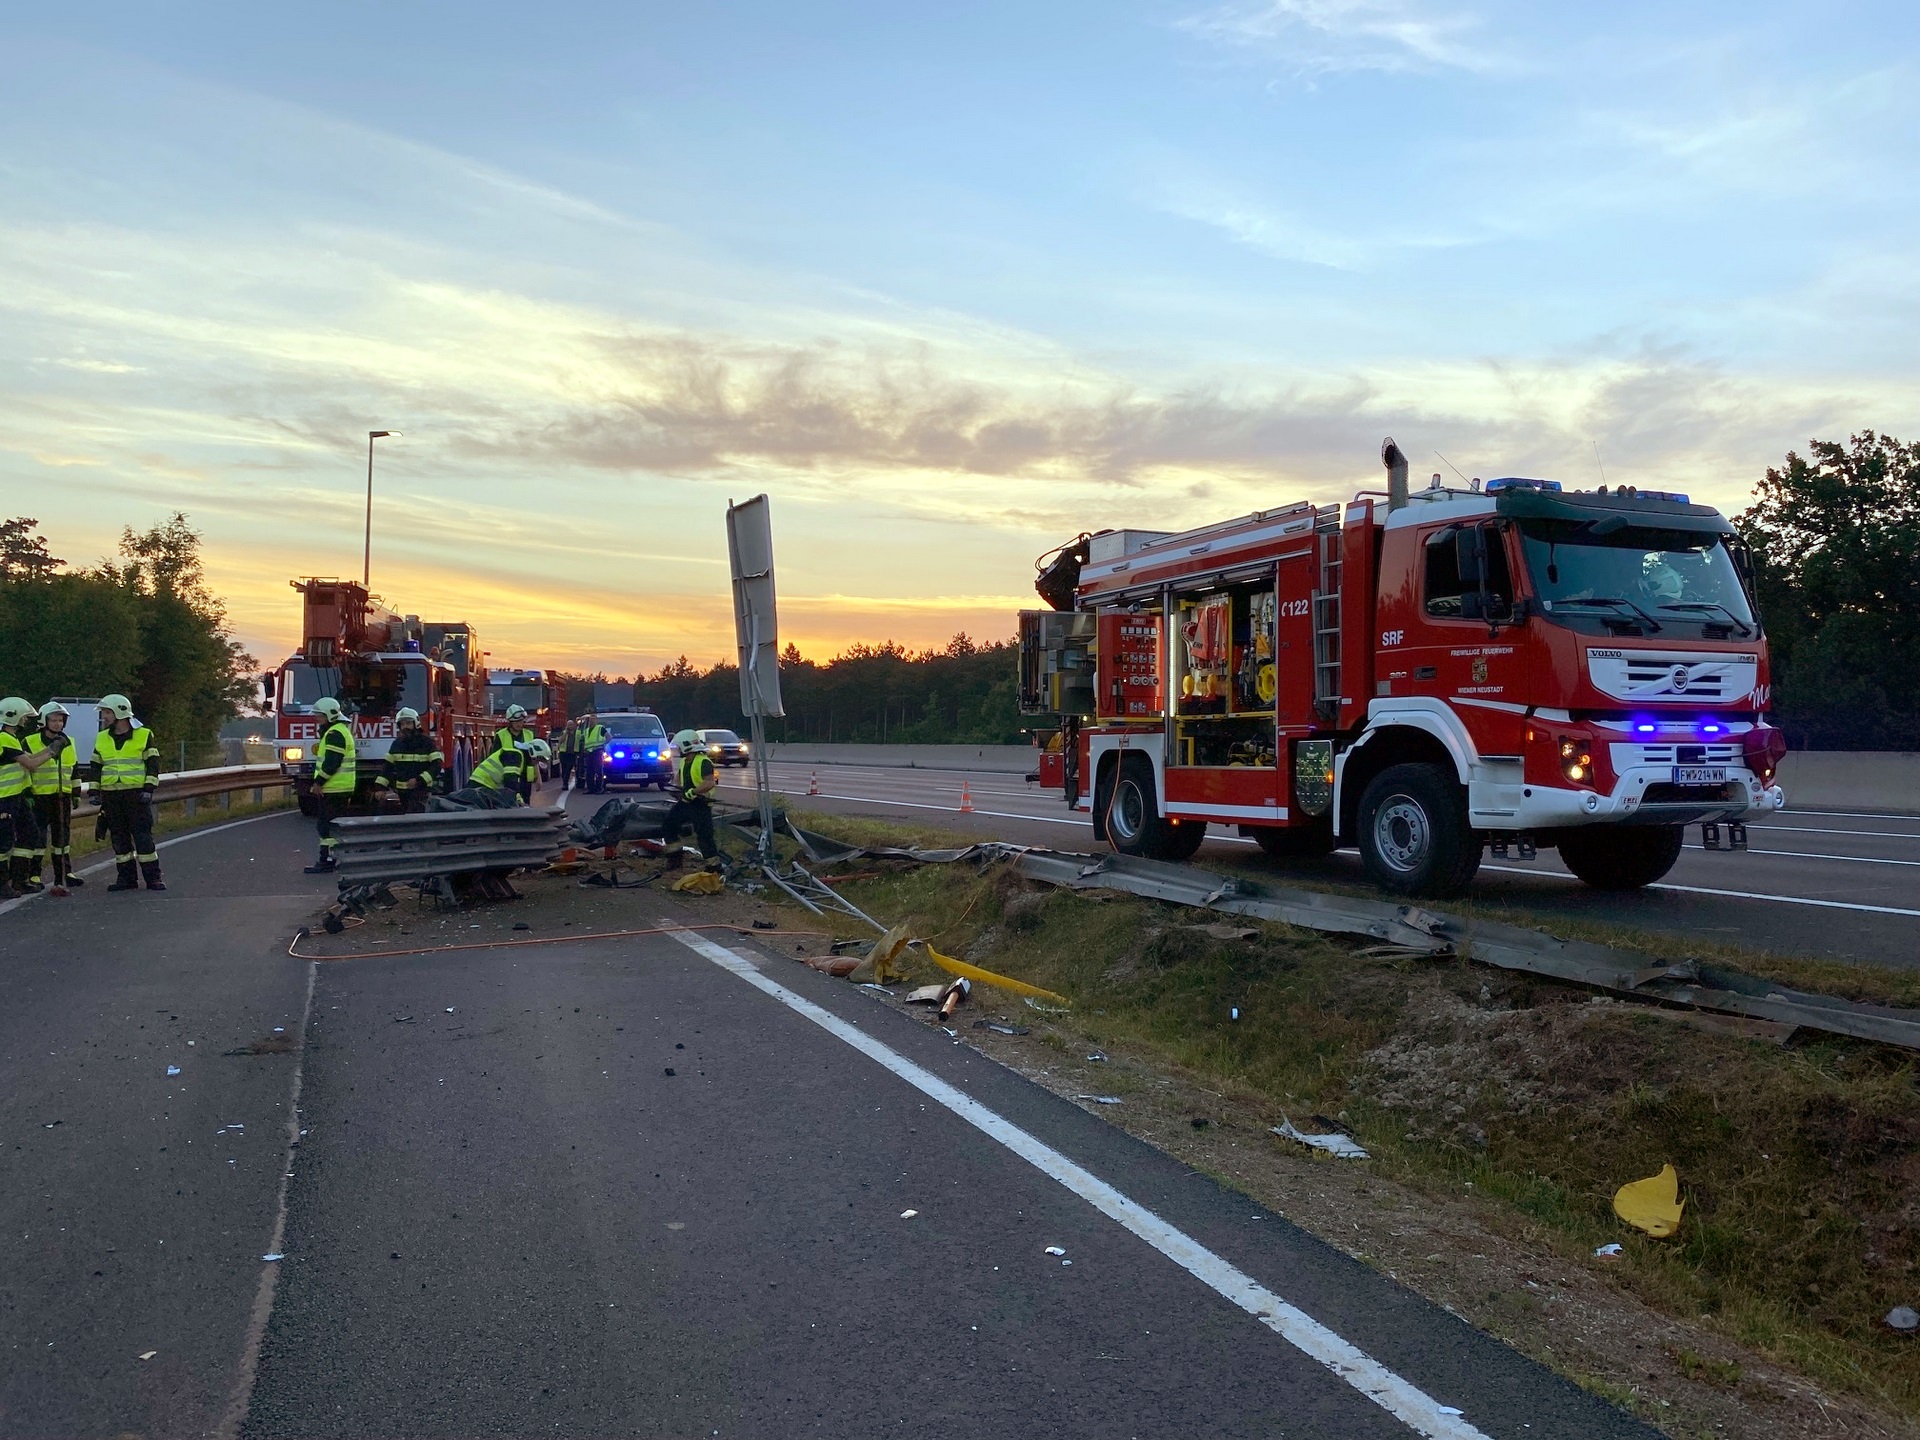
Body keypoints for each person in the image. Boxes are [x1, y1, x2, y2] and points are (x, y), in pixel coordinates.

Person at [85, 693, 164, 892]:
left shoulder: (144, 735)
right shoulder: (102, 737)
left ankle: (153, 879)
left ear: (120, 713)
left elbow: (153, 764)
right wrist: (94, 791)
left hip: (136, 796)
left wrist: (149, 789)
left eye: (107, 712)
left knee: (143, 838)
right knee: (119, 840)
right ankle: (126, 879)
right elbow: (96, 767)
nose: (104, 716)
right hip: (111, 796)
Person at [26, 700, 82, 895]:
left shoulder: (69, 742)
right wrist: (27, 793)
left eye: (61, 720)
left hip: (61, 796)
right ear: (44, 721)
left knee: (62, 837)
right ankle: (34, 874)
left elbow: (74, 770)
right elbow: (23, 770)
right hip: (39, 797)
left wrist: (76, 793)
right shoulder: (30, 741)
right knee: (38, 838)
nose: (58, 724)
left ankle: (64, 874)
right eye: (54, 720)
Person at [0, 698, 53, 897]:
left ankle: (19, 880)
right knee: (3, 843)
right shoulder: (4, 738)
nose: (26, 721)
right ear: (12, 716)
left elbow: (29, 757)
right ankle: (2, 885)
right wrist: (52, 751)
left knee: (30, 834)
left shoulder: (10, 738)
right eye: (24, 717)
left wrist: (51, 748)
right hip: (4, 799)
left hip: (16, 797)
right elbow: (30, 764)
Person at [304, 696, 357, 874]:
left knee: (326, 827)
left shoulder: (335, 734)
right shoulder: (338, 731)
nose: (316, 719)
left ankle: (327, 861)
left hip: (335, 787)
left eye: (319, 715)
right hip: (338, 787)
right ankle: (334, 858)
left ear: (330, 715)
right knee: (331, 826)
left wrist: (319, 782)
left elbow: (332, 762)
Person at [664, 728, 719, 859]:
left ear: (686, 746)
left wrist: (693, 792)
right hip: (686, 802)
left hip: (701, 804)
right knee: (669, 825)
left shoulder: (704, 762)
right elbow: (679, 778)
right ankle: (675, 858)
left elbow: (709, 782)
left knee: (705, 836)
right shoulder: (684, 761)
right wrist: (675, 789)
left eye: (679, 747)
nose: (678, 750)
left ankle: (713, 866)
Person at [377, 707, 443, 813]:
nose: (405, 727)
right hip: (402, 794)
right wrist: (380, 788)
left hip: (421, 792)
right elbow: (387, 768)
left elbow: (437, 765)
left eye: (408, 723)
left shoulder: (427, 743)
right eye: (402, 724)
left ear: (416, 724)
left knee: (418, 817)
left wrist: (419, 780)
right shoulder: (396, 744)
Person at [490, 705, 537, 804]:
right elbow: (494, 758)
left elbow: (533, 758)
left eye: (521, 721)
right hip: (508, 778)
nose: (519, 724)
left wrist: (538, 777)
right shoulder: (501, 735)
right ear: (510, 722)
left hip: (525, 778)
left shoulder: (529, 734)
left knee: (526, 804)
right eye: (516, 721)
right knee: (509, 804)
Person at [467, 737, 533, 802]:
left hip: (482, 784)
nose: (535, 762)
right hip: (482, 785)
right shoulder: (515, 756)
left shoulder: (518, 755)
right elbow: (510, 781)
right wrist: (517, 799)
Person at [578, 712, 609, 793]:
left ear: (596, 721)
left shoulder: (600, 728)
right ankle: (590, 789)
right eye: (591, 719)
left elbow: (609, 737)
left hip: (597, 752)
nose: (592, 721)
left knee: (598, 771)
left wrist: (602, 745)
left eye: (593, 719)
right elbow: (584, 741)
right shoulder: (586, 731)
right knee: (589, 771)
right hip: (588, 753)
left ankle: (599, 788)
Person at [557, 719, 579, 791]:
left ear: (574, 725)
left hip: (572, 753)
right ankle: (565, 783)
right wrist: (565, 733)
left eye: (571, 724)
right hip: (564, 753)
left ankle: (566, 783)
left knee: (568, 768)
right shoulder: (564, 733)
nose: (570, 726)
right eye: (568, 725)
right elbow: (560, 741)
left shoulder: (577, 733)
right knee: (564, 769)